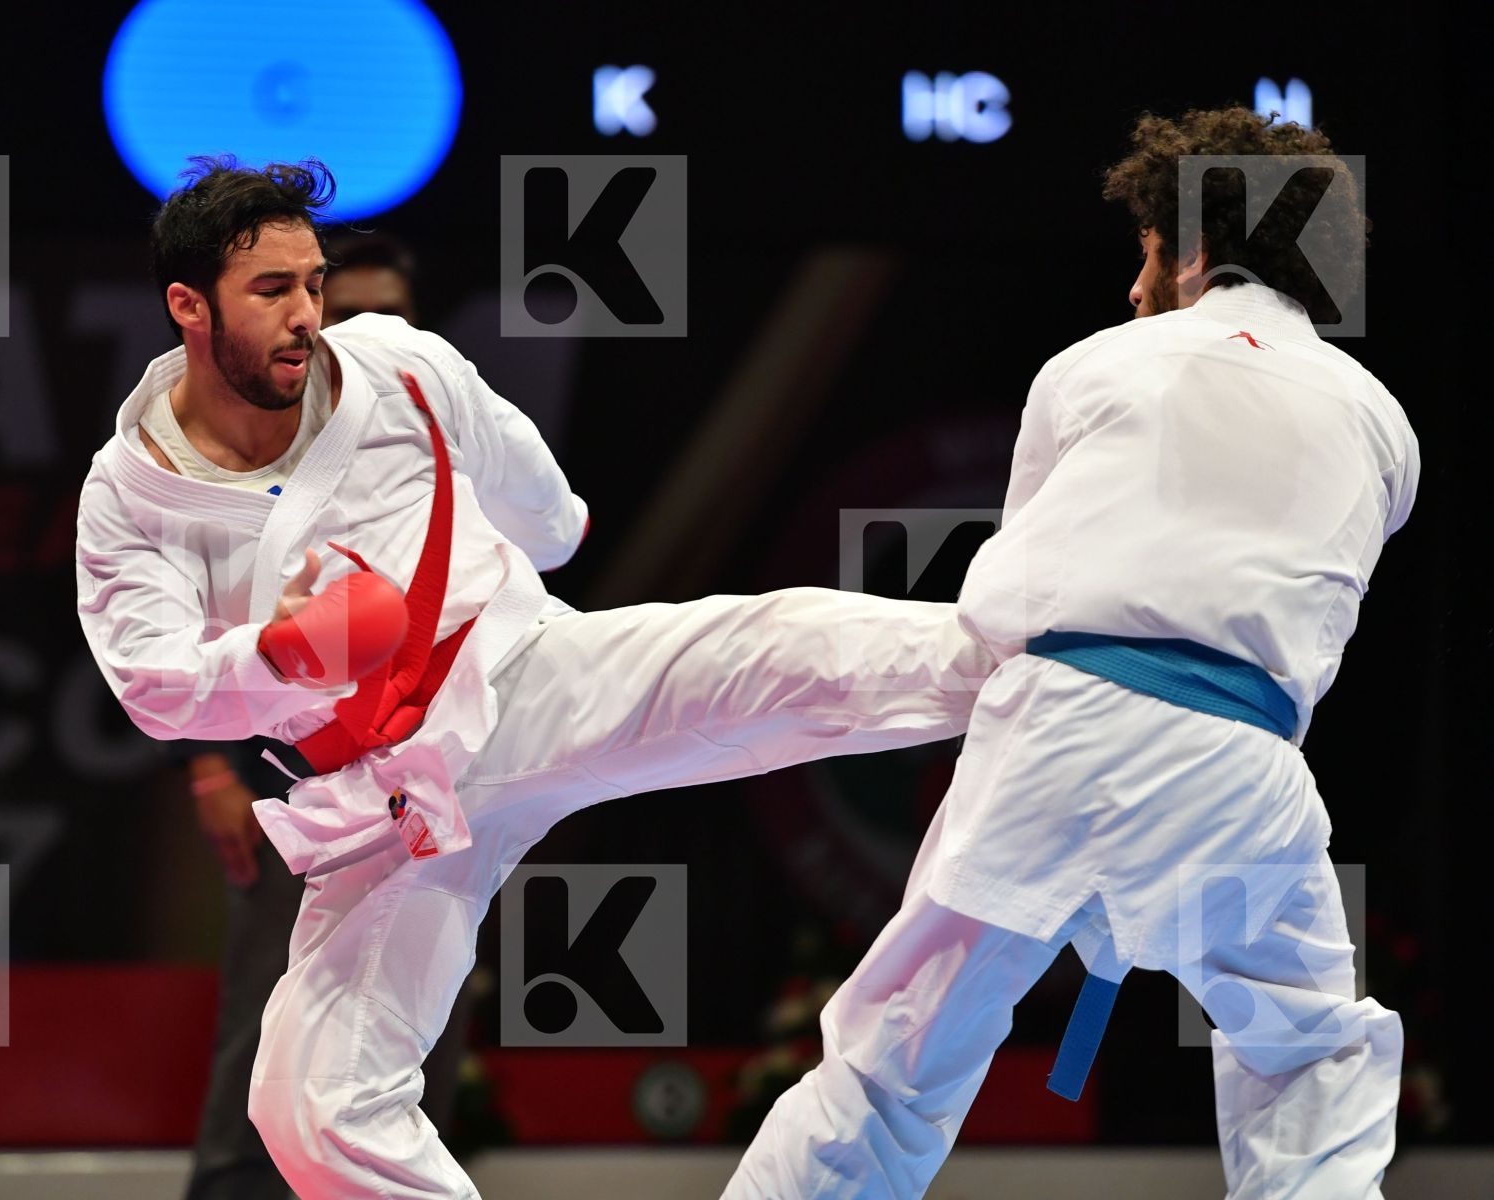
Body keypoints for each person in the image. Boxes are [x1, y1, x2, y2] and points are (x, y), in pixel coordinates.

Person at [73, 155, 996, 1197]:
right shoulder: (133, 493)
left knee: (771, 653)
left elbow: (551, 521)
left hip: (528, 677)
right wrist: (282, 655)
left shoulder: (399, 367)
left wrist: (467, 583)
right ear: (187, 306)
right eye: (272, 290)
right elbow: (154, 685)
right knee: (305, 1106)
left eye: (315, 282)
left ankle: (1044, 655)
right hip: (387, 803)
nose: (305, 314)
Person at [725, 107, 1415, 1198]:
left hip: (1059, 724)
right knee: (1311, 1058)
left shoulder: (1095, 367)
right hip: (1244, 763)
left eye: (1146, 258)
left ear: (1191, 252)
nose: (1135, 290)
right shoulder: (1382, 422)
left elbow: (1017, 600)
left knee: (891, 1072)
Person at [168, 231, 453, 1200]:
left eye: (393, 318)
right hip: (300, 793)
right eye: (348, 315)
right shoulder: (244, 436)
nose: (368, 335)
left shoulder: (441, 437)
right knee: (270, 1026)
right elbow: (185, 607)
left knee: (416, 1041)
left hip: (431, 792)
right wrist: (211, 765)